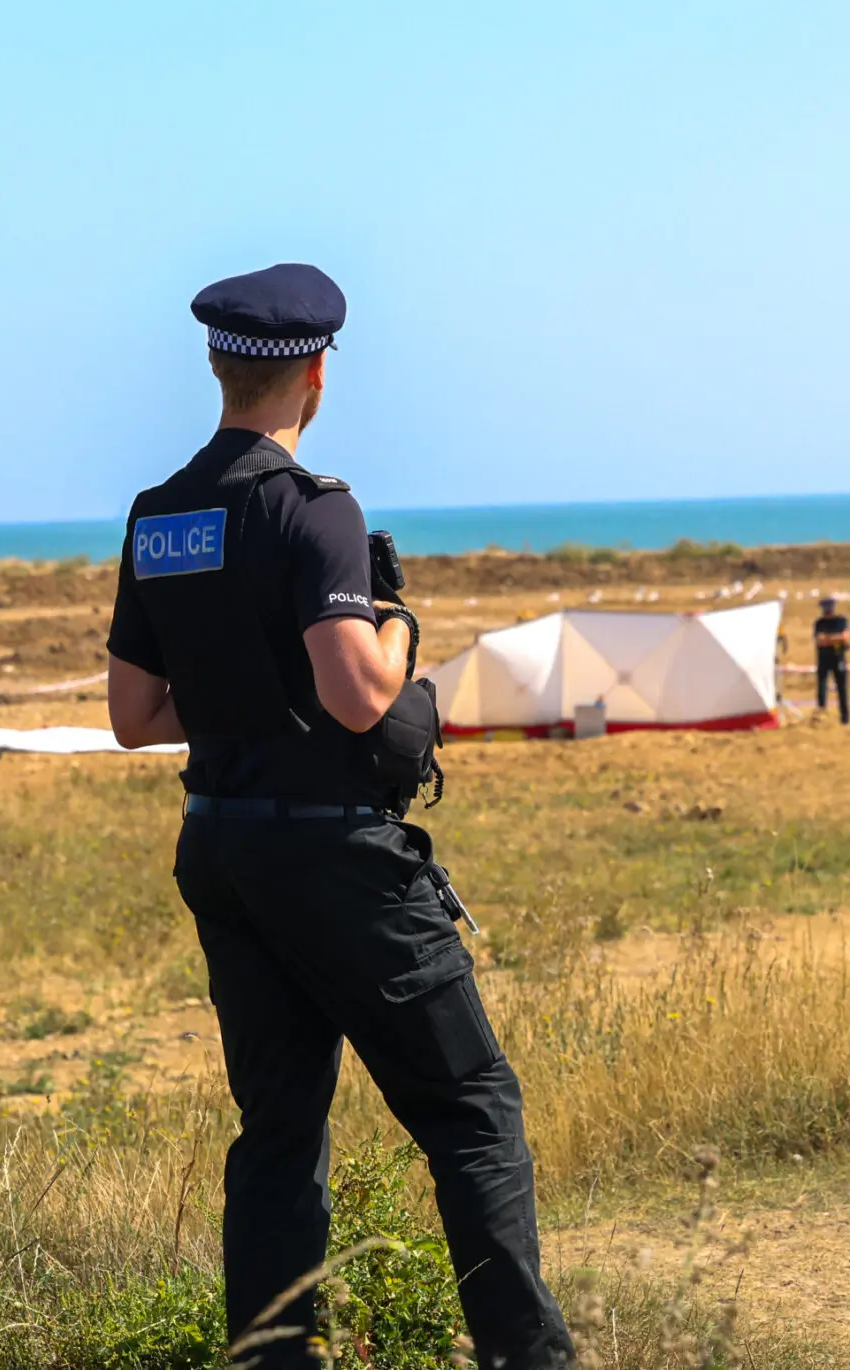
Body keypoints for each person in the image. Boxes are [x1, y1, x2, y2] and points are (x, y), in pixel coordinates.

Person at [104, 263, 573, 1370]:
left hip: (221, 841)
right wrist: (399, 624)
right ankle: (528, 1356)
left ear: (219, 368)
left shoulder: (159, 515)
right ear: (316, 375)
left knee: (278, 1127)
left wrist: (246, 699)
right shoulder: (316, 508)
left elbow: (135, 714)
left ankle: (272, 1356)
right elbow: (360, 692)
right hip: (333, 853)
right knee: (470, 1105)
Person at [813, 596, 850, 724]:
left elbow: (845, 638)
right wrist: (836, 638)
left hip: (838, 658)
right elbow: (819, 640)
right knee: (821, 688)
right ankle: (821, 713)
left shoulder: (841, 621)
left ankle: (845, 717)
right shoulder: (819, 623)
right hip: (823, 659)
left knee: (842, 689)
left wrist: (828, 639)